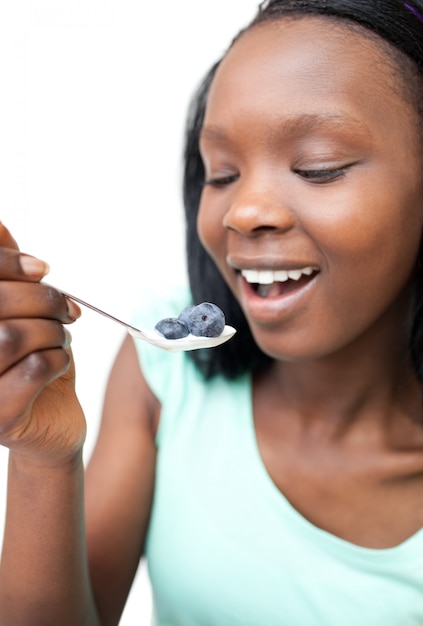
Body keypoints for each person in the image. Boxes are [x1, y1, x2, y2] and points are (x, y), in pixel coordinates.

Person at [0, 0, 423, 624]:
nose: (242, 212)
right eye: (220, 174)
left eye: (318, 166)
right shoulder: (163, 379)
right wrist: (45, 457)